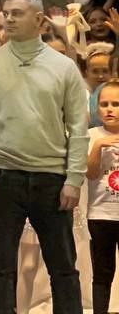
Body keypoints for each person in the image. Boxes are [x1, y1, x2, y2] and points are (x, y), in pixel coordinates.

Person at [0, 0, 88, 312]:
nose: (8, 19)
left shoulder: (64, 68)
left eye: (17, 13)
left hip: (52, 180)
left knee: (64, 269)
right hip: (1, 178)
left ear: (39, 19)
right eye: (6, 13)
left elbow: (78, 128)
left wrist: (74, 179)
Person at [86, 80, 119, 314]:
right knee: (102, 273)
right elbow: (90, 173)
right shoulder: (92, 136)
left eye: (116, 104)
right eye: (104, 104)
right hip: (100, 215)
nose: (109, 109)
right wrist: (98, 146)